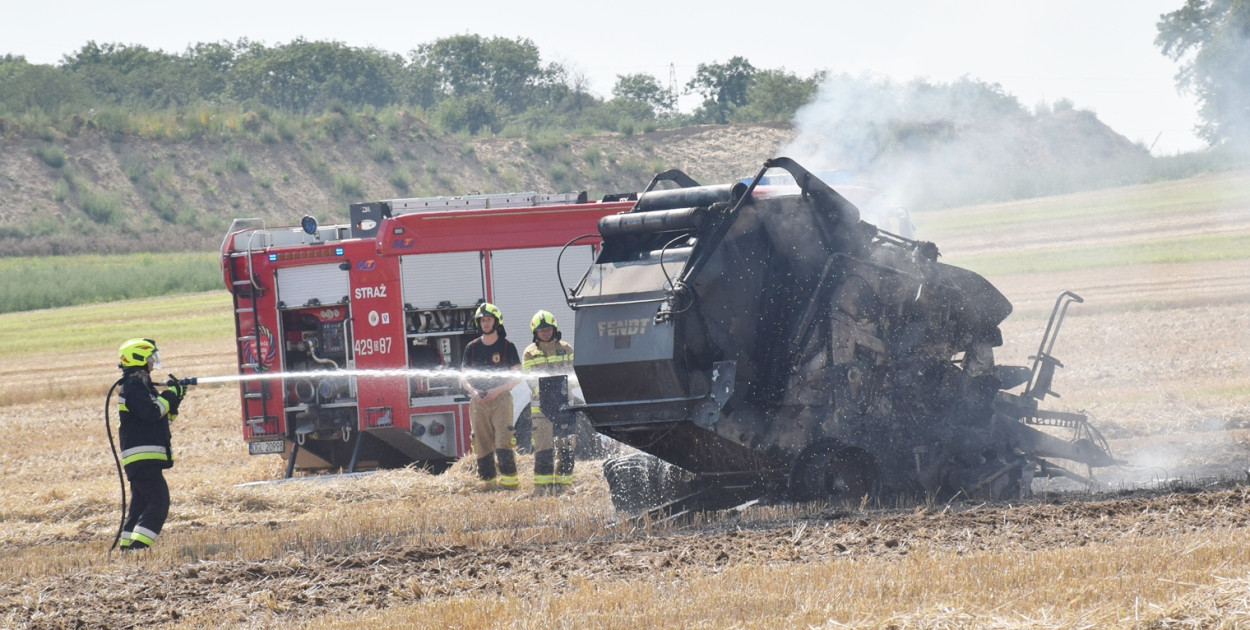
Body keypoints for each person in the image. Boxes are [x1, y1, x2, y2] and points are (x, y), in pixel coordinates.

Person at [115, 338, 186, 551]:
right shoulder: (134, 386)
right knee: (159, 502)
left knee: (140, 505)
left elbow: (161, 419)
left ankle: (127, 548)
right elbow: (151, 412)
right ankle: (138, 549)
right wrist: (169, 395)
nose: (153, 363)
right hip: (142, 458)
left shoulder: (142, 386)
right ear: (139, 359)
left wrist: (176, 400)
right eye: (150, 359)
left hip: (143, 459)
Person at [460, 304, 523, 490]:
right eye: (482, 320)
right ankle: (487, 484)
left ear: (496, 321)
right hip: (478, 401)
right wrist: (473, 392)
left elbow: (518, 375)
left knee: (504, 439)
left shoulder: (506, 346)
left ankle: (510, 485)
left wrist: (497, 390)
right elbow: (463, 376)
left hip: (501, 399)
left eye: (488, 319)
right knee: (481, 441)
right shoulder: (471, 348)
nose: (485, 323)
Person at [521, 310, 577, 495]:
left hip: (565, 407)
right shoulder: (530, 353)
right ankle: (543, 490)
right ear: (535, 333)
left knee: (566, 447)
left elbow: (575, 375)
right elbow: (530, 379)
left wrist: (565, 393)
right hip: (541, 410)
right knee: (543, 449)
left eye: (548, 329)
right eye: (541, 330)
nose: (545, 332)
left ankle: (563, 487)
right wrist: (547, 395)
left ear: (554, 329)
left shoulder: (567, 349)